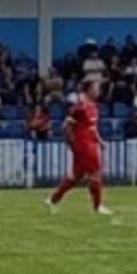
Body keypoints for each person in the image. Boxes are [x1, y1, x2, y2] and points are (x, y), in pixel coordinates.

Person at [47, 78, 111, 215]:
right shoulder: (81, 107)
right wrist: (70, 142)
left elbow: (92, 127)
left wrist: (99, 140)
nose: (98, 90)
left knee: (76, 176)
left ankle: (52, 200)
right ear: (89, 89)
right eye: (96, 87)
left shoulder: (93, 106)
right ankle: (98, 207)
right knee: (95, 174)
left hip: (91, 143)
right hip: (84, 145)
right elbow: (66, 125)